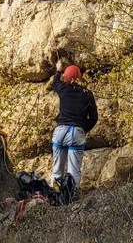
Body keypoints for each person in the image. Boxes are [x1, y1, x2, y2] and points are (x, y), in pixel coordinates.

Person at [47, 59, 97, 192]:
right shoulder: (87, 94)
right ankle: (71, 196)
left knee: (57, 168)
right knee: (73, 170)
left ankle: (54, 195)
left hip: (60, 131)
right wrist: (83, 128)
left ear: (66, 78)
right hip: (76, 132)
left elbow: (55, 82)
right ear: (79, 78)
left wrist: (58, 69)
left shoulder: (63, 90)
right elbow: (93, 118)